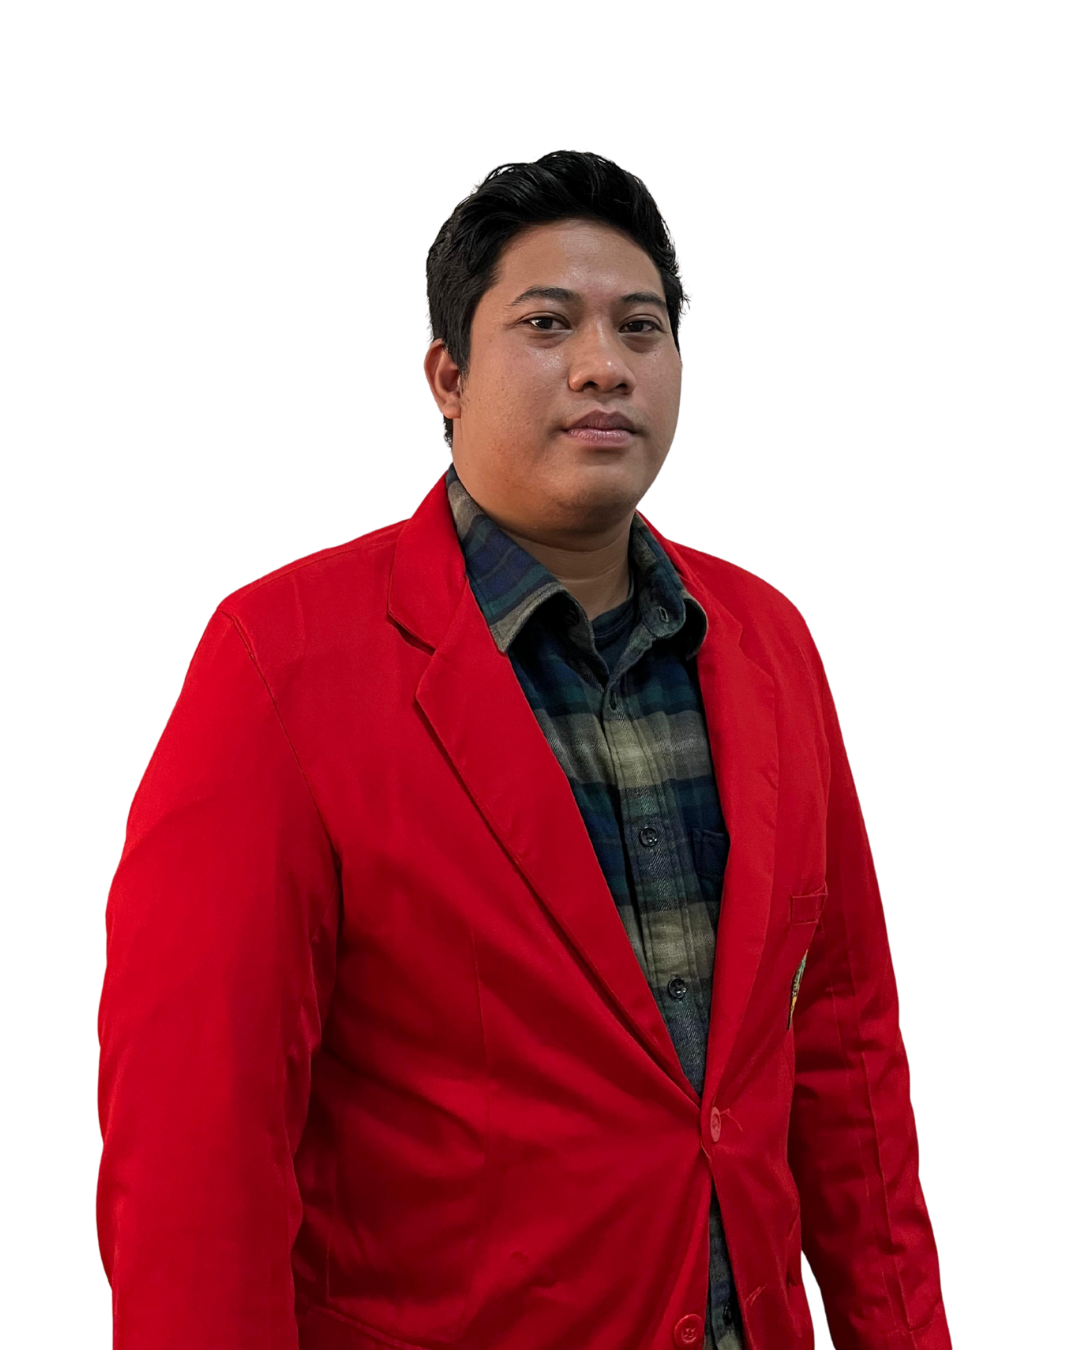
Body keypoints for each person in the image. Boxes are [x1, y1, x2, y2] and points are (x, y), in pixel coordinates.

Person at [96, 150, 951, 1350]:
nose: (605, 364)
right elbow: (198, 1148)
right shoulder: (280, 662)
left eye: (641, 327)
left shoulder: (766, 643)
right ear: (447, 376)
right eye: (548, 324)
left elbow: (846, 1064)